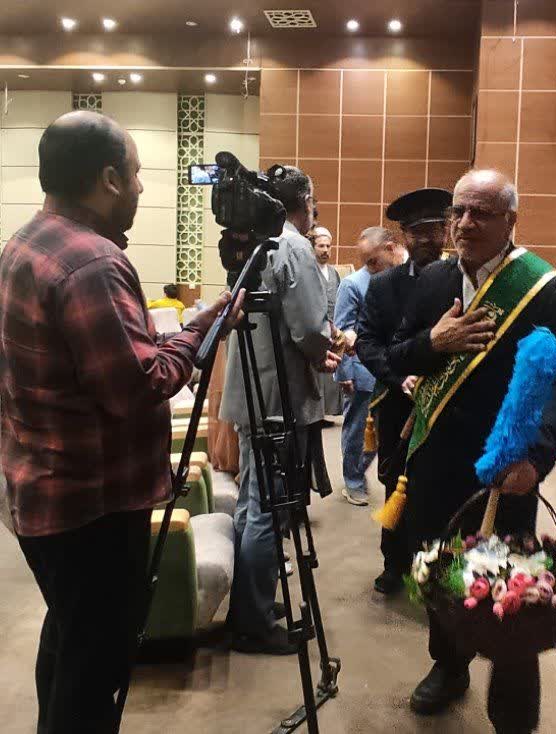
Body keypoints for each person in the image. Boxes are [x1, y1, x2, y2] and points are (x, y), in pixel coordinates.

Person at [0, 111, 243, 734]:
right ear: (108, 178)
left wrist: (185, 330)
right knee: (96, 665)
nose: (139, 187)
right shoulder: (93, 264)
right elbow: (141, 387)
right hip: (94, 508)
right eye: (135, 175)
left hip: (42, 493)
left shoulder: (26, 242)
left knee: (69, 640)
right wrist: (200, 330)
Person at [387, 169, 556, 733]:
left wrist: (535, 458)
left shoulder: (541, 288)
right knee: (439, 574)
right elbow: (397, 354)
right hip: (435, 460)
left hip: (505, 468)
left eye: (481, 213)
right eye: (459, 211)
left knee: (509, 592)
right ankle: (449, 668)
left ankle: (513, 714)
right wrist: (434, 342)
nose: (465, 223)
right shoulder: (432, 280)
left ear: (510, 221)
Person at [220, 166, 340, 655]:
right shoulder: (292, 245)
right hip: (278, 400)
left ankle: (248, 605)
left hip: (251, 392)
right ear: (305, 201)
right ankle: (253, 622)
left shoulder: (257, 241)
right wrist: (326, 350)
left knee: (251, 504)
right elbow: (309, 326)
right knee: (270, 510)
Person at [356, 188, 452, 594]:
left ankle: (437, 567)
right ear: (404, 237)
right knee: (397, 482)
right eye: (418, 232)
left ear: (447, 231)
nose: (428, 239)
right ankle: (394, 563)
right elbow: (366, 342)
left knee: (442, 485)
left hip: (449, 404)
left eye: (435, 229)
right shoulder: (383, 286)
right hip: (397, 404)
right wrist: (399, 378)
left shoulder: (462, 280)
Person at [334, 227, 402, 506]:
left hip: (391, 374)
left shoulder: (402, 278)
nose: (369, 267)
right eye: (365, 262)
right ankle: (353, 481)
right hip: (361, 374)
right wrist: (343, 373)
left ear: (390, 249)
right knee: (357, 431)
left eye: (373, 260)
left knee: (383, 436)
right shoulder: (352, 284)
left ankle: (361, 473)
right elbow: (342, 331)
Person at [310, 226, 342, 418]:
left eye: (328, 246)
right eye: (321, 246)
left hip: (333, 329)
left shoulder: (333, 272)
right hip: (316, 329)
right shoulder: (309, 271)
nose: (325, 250)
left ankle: (329, 411)